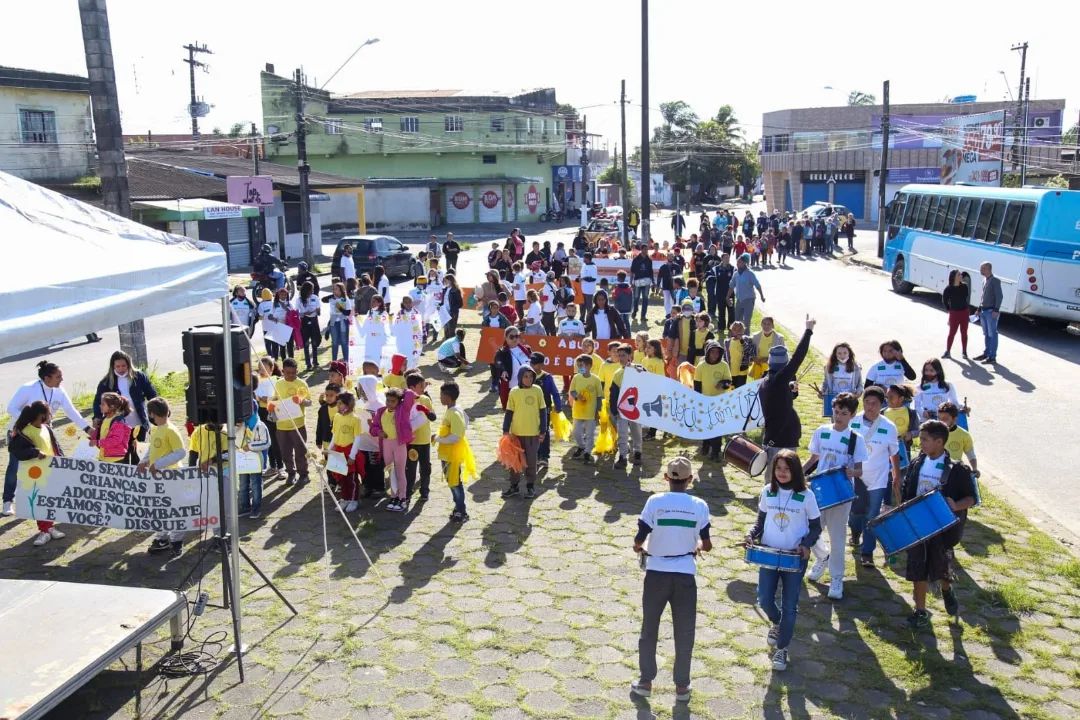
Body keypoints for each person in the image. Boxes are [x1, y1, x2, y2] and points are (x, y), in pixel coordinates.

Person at [631, 457, 712, 702]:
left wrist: (639, 547)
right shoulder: (699, 505)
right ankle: (682, 687)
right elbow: (707, 544)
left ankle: (645, 681)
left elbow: (639, 538)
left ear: (666, 478)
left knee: (649, 628)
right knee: (684, 631)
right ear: (690, 479)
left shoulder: (655, 501)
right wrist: (697, 545)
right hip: (685, 576)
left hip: (656, 574)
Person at [745, 449, 821, 672]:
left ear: (795, 471)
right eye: (778, 468)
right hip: (769, 554)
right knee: (764, 599)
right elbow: (760, 521)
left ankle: (782, 647)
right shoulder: (767, 491)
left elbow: (815, 526)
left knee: (790, 605)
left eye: (787, 469)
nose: (782, 473)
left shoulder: (807, 496)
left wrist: (806, 545)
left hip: (793, 558)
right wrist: (750, 534)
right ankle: (778, 623)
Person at [902, 420, 977, 628]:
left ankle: (946, 588)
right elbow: (908, 489)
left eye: (925, 439)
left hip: (942, 530)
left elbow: (972, 498)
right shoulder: (917, 462)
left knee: (940, 567)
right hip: (918, 525)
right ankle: (921, 611)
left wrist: (956, 505)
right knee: (918, 567)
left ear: (939, 442)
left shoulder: (957, 469)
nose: (921, 442)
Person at [4, 360, 92, 516]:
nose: (62, 380)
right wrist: (29, 422)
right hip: (21, 434)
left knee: (49, 462)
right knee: (15, 467)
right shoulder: (28, 388)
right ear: (47, 378)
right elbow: (11, 408)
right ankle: (7, 502)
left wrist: (87, 428)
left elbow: (71, 411)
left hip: (44, 432)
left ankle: (45, 498)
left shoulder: (59, 390)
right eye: (58, 376)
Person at [806, 392, 869, 600]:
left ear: (851, 415)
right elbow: (814, 458)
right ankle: (823, 557)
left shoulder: (855, 438)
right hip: (820, 490)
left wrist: (852, 472)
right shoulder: (821, 431)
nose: (839, 416)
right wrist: (799, 473)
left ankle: (836, 579)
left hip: (841, 494)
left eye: (844, 413)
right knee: (809, 531)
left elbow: (859, 469)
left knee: (838, 537)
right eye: (836, 411)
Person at [847, 386, 901, 566]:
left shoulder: (889, 426)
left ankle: (867, 552)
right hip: (856, 476)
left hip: (878, 478)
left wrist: (896, 476)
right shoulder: (852, 421)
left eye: (874, 404)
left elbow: (894, 453)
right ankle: (854, 531)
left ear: (882, 404)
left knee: (872, 515)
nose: (870, 407)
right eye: (867, 403)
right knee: (856, 513)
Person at [759, 317, 815, 481]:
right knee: (782, 480)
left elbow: (780, 401)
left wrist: (791, 392)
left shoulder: (767, 381)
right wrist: (808, 331)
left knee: (772, 480)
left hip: (774, 438)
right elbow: (798, 357)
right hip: (781, 439)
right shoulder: (779, 380)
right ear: (783, 366)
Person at [9, 401, 69, 546]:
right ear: (41, 415)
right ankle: (43, 530)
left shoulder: (47, 428)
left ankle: (50, 527)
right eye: (49, 413)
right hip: (37, 473)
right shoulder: (26, 432)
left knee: (51, 499)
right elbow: (16, 450)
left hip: (51, 469)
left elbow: (55, 446)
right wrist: (35, 452)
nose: (51, 416)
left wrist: (62, 461)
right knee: (40, 501)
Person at [136, 398, 190, 552]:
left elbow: (180, 453)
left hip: (172, 477)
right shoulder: (156, 429)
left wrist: (158, 464)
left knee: (175, 509)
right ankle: (162, 538)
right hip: (158, 478)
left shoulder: (170, 430)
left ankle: (177, 540)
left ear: (152, 414)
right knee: (160, 508)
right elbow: (152, 449)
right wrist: (144, 461)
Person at [501, 366, 547, 499]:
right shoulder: (514, 392)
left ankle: (530, 486)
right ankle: (514, 486)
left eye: (531, 376)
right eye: (525, 376)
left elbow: (543, 411)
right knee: (515, 462)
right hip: (516, 434)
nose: (529, 379)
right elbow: (509, 412)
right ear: (520, 377)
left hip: (533, 434)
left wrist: (543, 430)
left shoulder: (537, 390)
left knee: (531, 462)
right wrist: (505, 430)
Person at [434, 382, 475, 522]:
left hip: (451, 454)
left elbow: (456, 436)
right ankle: (458, 507)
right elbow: (467, 420)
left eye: (441, 395)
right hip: (449, 453)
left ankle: (461, 511)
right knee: (452, 481)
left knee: (454, 482)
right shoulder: (454, 409)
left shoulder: (454, 412)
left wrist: (438, 438)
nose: (439, 397)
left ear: (448, 397)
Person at [271, 358, 311, 485]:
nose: (291, 375)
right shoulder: (278, 384)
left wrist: (302, 401)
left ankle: (303, 474)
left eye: (293, 373)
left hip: (298, 424)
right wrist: (271, 407)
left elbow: (309, 402)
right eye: (288, 373)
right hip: (282, 425)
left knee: (300, 451)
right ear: (282, 371)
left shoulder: (302, 384)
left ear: (297, 371)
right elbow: (274, 400)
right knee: (285, 452)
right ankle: (290, 473)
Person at [694, 340, 733, 460]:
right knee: (706, 425)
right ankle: (705, 445)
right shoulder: (701, 366)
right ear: (708, 353)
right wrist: (698, 401)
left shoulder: (724, 365)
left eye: (717, 352)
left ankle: (716, 451)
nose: (715, 355)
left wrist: (722, 384)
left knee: (717, 427)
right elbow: (697, 384)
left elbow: (729, 382)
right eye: (712, 352)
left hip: (719, 402)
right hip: (705, 401)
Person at [609, 344, 643, 468]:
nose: (621, 358)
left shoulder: (638, 369)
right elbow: (613, 393)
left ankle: (637, 452)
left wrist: (641, 371)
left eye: (623, 355)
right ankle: (623, 456)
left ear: (630, 356)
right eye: (619, 356)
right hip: (622, 409)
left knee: (636, 431)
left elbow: (646, 383)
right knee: (622, 432)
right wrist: (614, 409)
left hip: (635, 408)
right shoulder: (618, 374)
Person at [405, 374, 438, 501]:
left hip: (424, 439)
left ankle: (424, 490)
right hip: (411, 441)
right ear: (412, 387)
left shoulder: (425, 399)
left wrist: (428, 413)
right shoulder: (405, 400)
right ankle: (407, 491)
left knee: (425, 467)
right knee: (410, 468)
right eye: (421, 386)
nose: (423, 388)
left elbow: (432, 415)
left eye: (424, 385)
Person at [569, 354, 602, 463]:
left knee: (590, 433)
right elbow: (572, 391)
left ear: (589, 366)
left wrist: (598, 411)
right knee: (576, 432)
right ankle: (581, 446)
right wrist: (577, 396)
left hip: (590, 412)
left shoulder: (596, 380)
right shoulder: (576, 377)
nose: (579, 368)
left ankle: (588, 451)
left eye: (581, 365)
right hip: (578, 411)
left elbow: (599, 397)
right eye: (578, 366)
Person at [530, 352, 562, 466]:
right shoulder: (527, 376)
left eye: (537, 364)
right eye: (532, 363)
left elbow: (555, 392)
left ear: (542, 365)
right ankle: (533, 454)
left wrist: (558, 406)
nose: (534, 366)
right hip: (530, 410)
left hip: (545, 409)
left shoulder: (547, 377)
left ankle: (544, 455)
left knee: (544, 431)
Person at [939, 401, 979, 479]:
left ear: (954, 419)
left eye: (945, 419)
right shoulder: (933, 432)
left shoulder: (964, 435)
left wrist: (974, 469)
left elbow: (970, 454)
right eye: (940, 418)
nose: (941, 422)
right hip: (935, 472)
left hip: (954, 472)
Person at [974, 261, 1003, 364]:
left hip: (991, 311)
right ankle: (986, 353)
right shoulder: (984, 280)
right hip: (983, 310)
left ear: (988, 269)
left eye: (982, 268)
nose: (980, 270)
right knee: (986, 334)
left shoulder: (995, 281)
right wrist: (978, 309)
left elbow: (999, 296)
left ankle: (992, 356)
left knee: (992, 334)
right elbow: (983, 297)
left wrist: (996, 310)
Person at [726, 253, 765, 331]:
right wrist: (727, 297)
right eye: (737, 262)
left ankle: (746, 338)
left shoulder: (750, 274)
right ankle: (737, 337)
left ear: (744, 263)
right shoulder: (736, 274)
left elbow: (757, 285)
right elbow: (731, 286)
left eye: (739, 262)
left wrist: (762, 296)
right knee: (737, 321)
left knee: (746, 321)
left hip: (749, 299)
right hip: (739, 300)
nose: (737, 264)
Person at [94, 392, 134, 463]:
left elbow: (116, 440)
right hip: (104, 457)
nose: (100, 406)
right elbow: (102, 436)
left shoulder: (118, 422)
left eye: (103, 404)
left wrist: (98, 442)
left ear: (112, 407)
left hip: (115, 459)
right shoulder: (104, 419)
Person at [821, 342, 863, 408]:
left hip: (849, 400)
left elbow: (860, 385)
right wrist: (822, 392)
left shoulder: (856, 367)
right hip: (834, 399)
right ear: (835, 354)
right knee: (835, 418)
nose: (842, 356)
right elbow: (826, 383)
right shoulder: (830, 366)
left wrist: (857, 394)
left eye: (845, 353)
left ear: (849, 353)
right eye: (839, 353)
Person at [942, 269, 971, 359]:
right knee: (952, 333)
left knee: (964, 332)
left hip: (964, 312)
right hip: (954, 313)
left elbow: (966, 297)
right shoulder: (948, 288)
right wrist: (949, 310)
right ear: (954, 277)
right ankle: (948, 351)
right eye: (959, 275)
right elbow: (944, 300)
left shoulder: (965, 287)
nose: (961, 276)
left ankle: (964, 352)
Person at [704, 251, 734, 334]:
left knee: (731, 312)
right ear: (722, 259)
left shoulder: (733, 268)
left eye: (728, 258)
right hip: (720, 294)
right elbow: (708, 274)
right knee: (721, 311)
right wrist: (707, 278)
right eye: (725, 258)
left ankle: (731, 328)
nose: (727, 259)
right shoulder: (716, 269)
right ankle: (721, 328)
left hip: (730, 294)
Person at [326, 282, 351, 366]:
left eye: (336, 289)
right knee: (334, 342)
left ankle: (346, 361)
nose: (334, 290)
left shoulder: (345, 299)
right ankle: (334, 361)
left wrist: (339, 307)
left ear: (341, 290)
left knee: (344, 342)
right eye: (333, 289)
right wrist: (332, 296)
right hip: (333, 322)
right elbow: (323, 299)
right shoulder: (331, 299)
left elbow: (348, 312)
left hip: (342, 321)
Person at [630, 243, 654, 324]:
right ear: (641, 249)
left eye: (647, 249)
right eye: (645, 249)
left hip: (647, 282)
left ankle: (643, 316)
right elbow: (632, 271)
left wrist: (653, 282)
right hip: (637, 281)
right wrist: (631, 282)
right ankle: (635, 310)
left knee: (645, 299)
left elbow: (651, 272)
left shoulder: (649, 260)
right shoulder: (636, 259)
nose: (646, 251)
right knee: (636, 298)